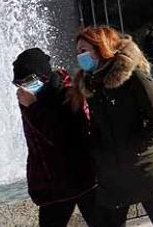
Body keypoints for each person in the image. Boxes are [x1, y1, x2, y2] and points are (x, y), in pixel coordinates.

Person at [72, 26, 153, 227]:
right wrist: (96, 150)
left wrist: (137, 145)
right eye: (78, 52)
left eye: (84, 50)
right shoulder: (91, 84)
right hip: (112, 173)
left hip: (145, 168)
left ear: (100, 47)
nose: (80, 56)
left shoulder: (133, 77)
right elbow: (97, 126)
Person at [12, 47, 106, 227]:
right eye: (19, 83)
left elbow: (63, 137)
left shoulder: (66, 93)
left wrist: (33, 108)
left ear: (43, 76)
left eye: (29, 80)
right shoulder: (31, 98)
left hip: (82, 177)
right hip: (53, 187)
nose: (24, 87)